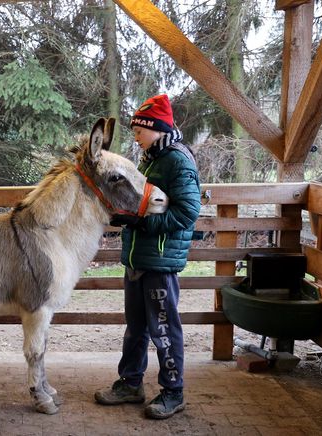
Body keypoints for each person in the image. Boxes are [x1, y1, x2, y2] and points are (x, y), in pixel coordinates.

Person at [94, 94, 201, 419]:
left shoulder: (177, 161)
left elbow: (187, 213)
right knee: (136, 327)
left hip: (159, 263)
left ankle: (173, 392)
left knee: (164, 329)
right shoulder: (150, 159)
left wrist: (141, 222)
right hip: (138, 259)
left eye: (140, 129)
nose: (135, 135)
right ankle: (130, 384)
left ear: (156, 128)